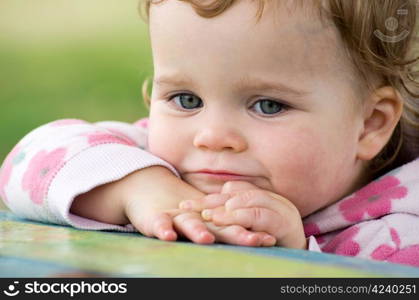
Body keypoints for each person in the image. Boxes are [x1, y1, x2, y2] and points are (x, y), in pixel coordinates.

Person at [1, 0, 419, 266]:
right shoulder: (152, 161)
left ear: (370, 124)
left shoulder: (402, 229)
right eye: (186, 99)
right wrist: (135, 188)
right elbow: (22, 166)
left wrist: (293, 258)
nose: (212, 136)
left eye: (268, 105)